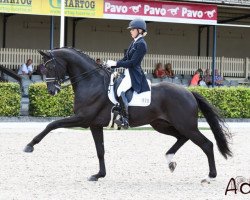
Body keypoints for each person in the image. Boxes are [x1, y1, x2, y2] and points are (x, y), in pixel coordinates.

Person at [106, 18, 150, 129]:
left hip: (134, 74)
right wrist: (113, 65)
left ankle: (125, 119)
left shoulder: (142, 44)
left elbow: (133, 63)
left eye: (132, 29)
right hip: (127, 72)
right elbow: (125, 58)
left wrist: (116, 63)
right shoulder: (134, 42)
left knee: (121, 90)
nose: (130, 31)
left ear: (139, 30)